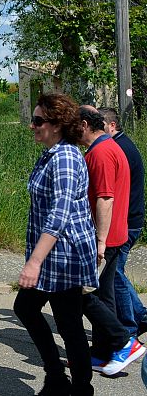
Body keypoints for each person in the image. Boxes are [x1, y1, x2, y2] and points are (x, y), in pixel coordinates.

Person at [13, 94, 97, 395]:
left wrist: (34, 262)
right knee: (34, 310)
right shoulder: (51, 153)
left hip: (65, 255)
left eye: (38, 121)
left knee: (67, 323)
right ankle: (57, 378)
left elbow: (59, 214)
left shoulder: (64, 157)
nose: (32, 126)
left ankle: (77, 387)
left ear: (58, 125)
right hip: (53, 254)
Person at [78, 105, 144, 375]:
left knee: (90, 295)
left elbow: (105, 197)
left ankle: (124, 343)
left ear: (83, 125)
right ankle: (103, 351)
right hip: (115, 233)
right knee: (104, 294)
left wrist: (99, 241)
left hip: (108, 237)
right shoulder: (108, 147)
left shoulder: (102, 152)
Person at [99, 107, 147, 337]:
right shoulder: (122, 145)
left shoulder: (118, 149)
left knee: (114, 273)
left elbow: (110, 194)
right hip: (130, 218)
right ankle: (140, 315)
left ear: (112, 126)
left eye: (102, 126)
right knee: (115, 272)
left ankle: (129, 326)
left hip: (126, 221)